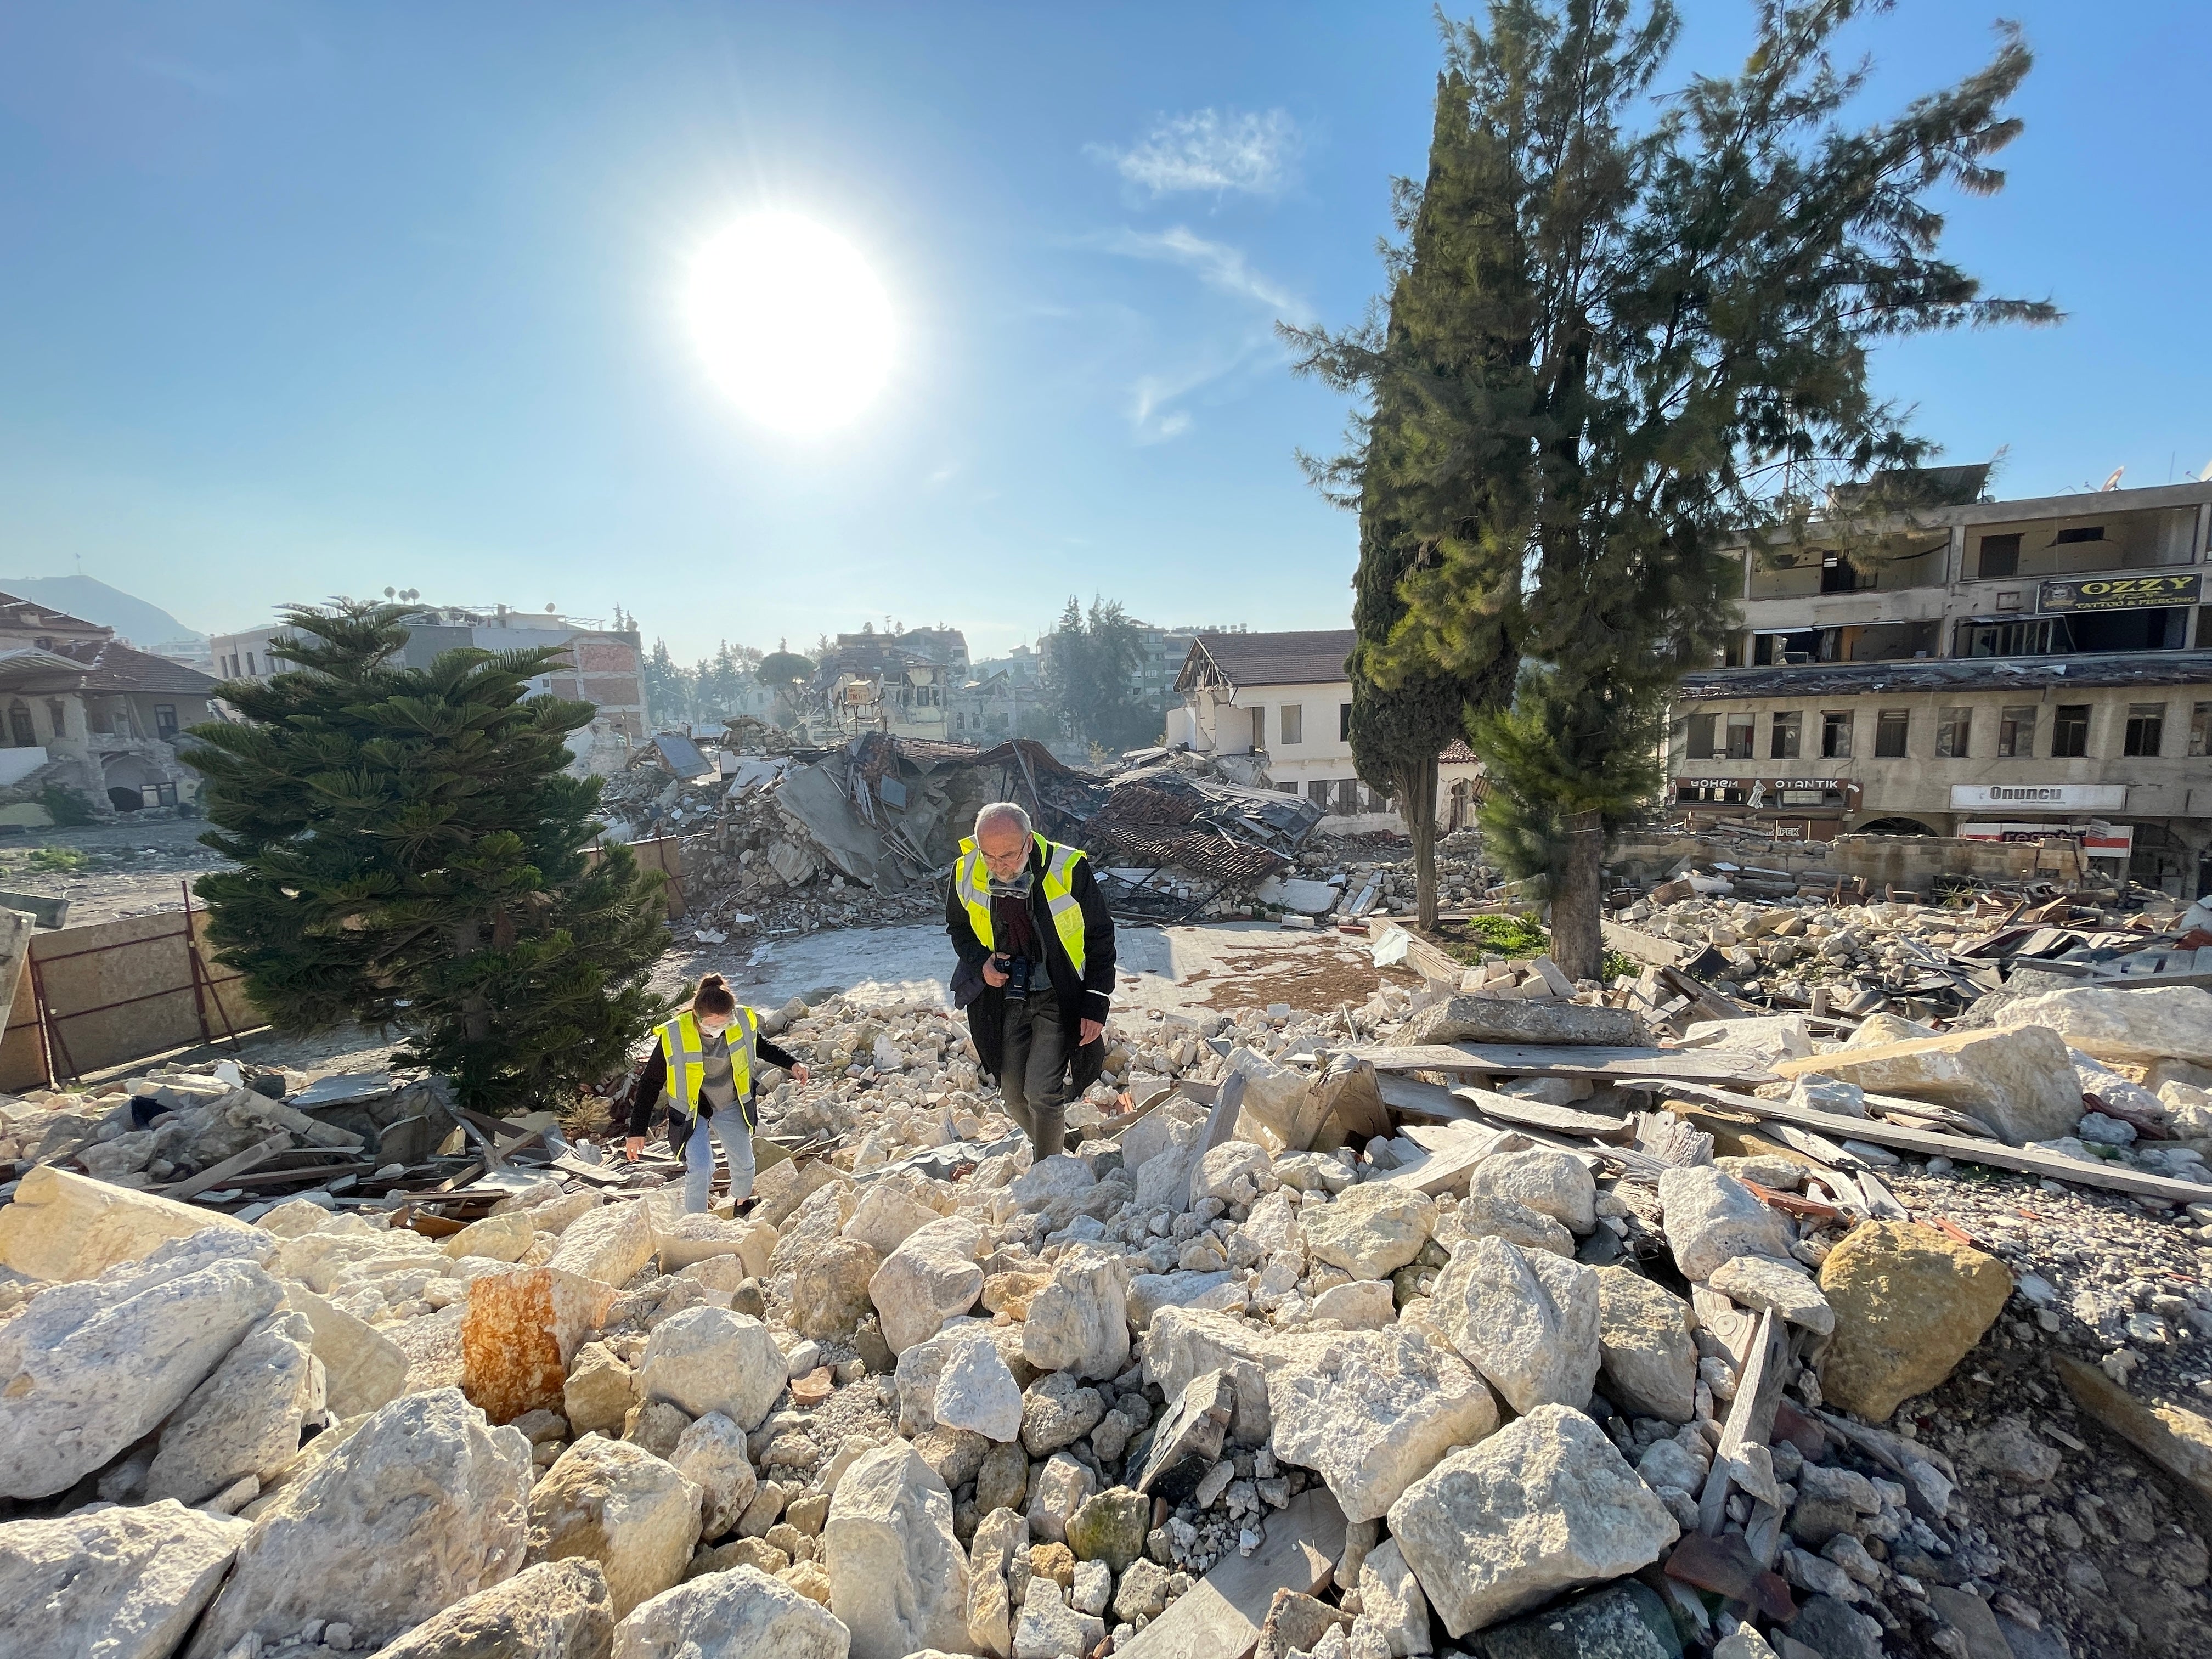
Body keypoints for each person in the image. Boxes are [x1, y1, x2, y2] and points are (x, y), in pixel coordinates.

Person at [946, 800, 1116, 1161]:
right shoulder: (965, 870)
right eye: (988, 856)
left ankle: (1048, 1175)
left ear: (1028, 843)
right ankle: (1058, 1144)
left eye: (1007, 855)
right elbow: (959, 930)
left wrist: (1097, 1002)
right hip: (1006, 996)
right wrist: (982, 965)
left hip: (1059, 993)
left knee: (1042, 1094)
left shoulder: (1068, 868)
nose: (997, 866)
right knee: (1012, 1097)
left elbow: (1101, 935)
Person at [624, 973, 809, 1214]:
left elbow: (761, 1047)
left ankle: (742, 1204)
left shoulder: (741, 1020)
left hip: (731, 1099)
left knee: (744, 1164)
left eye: (725, 1023)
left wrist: (792, 1063)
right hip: (693, 1108)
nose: (719, 1029)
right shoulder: (675, 1035)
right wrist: (637, 1131)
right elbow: (650, 1082)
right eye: (712, 1024)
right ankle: (695, 1223)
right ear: (697, 1017)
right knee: (701, 1168)